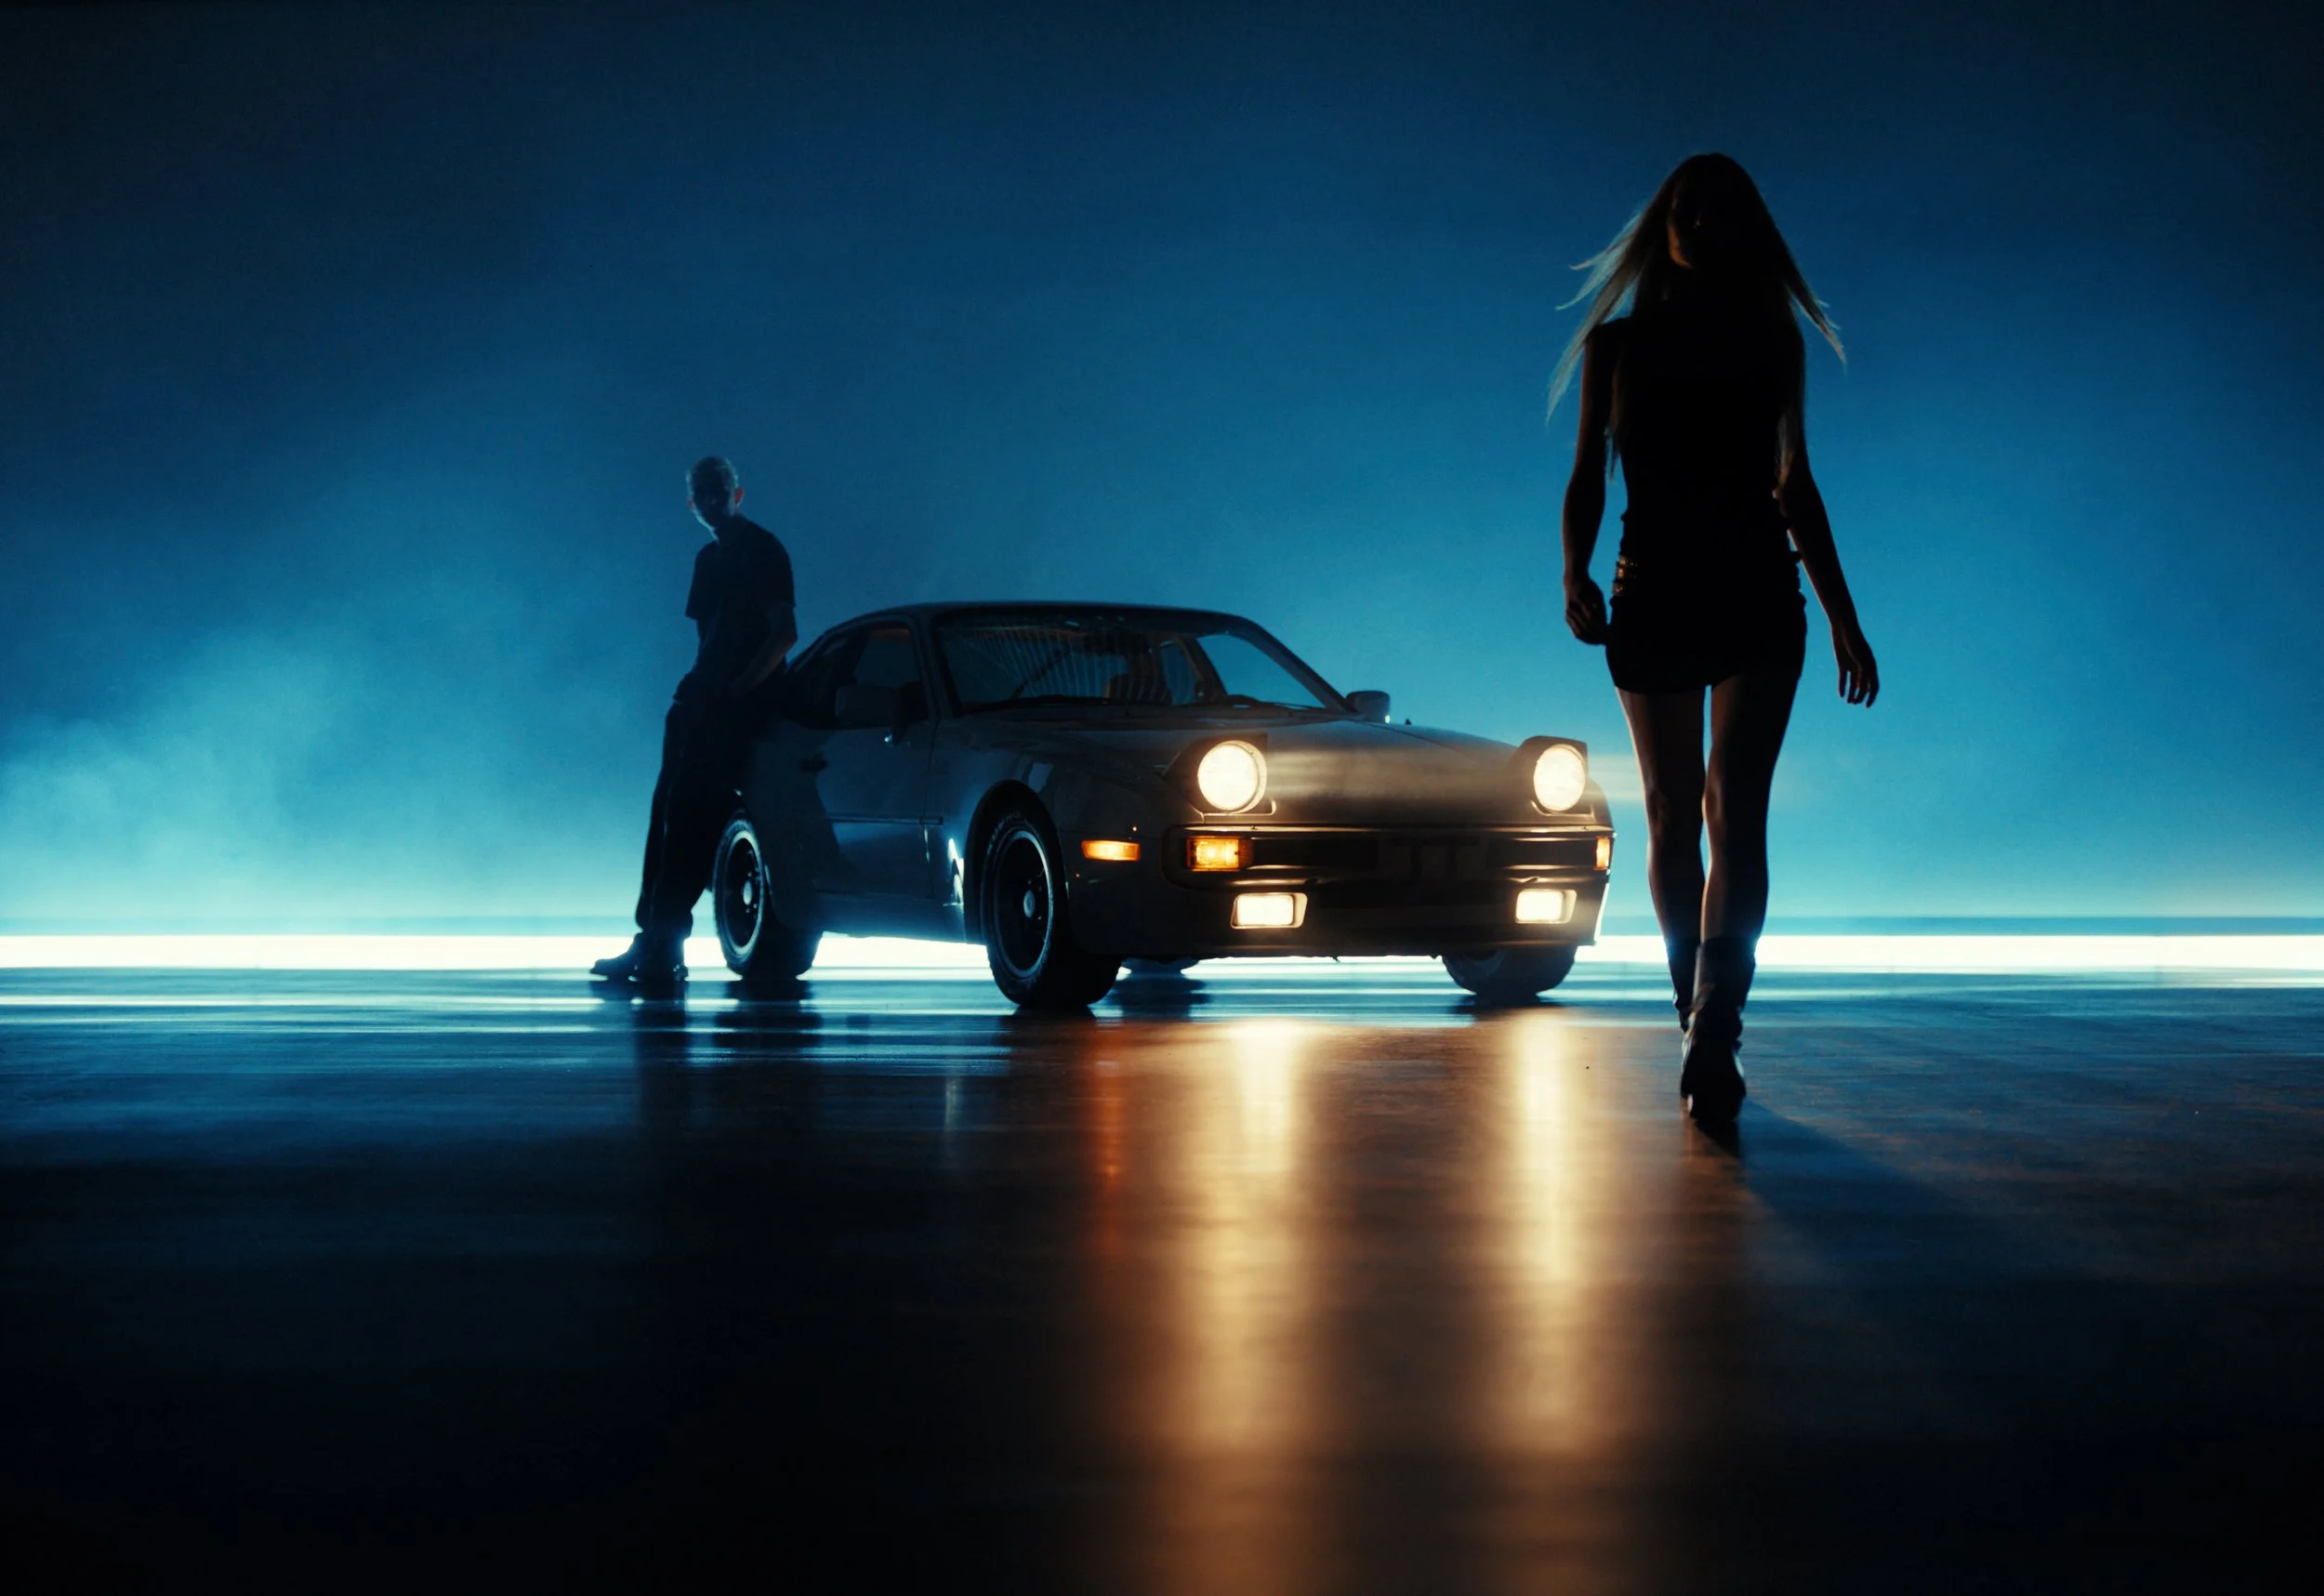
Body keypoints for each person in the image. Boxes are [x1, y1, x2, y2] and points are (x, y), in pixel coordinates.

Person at [1552, 153, 1878, 1124]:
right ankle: (1691, 1006)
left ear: (1740, 225)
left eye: (1714, 207)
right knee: (1668, 807)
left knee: (1734, 803)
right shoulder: (1615, 349)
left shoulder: (1772, 342)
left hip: (1753, 591)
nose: (1696, 220)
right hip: (1651, 590)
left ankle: (1716, 1026)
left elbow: (1795, 484)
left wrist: (1841, 616)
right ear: (1663, 224)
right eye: (1683, 207)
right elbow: (1585, 476)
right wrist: (1569, 571)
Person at [593, 456, 796, 990]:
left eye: (717, 491)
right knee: (668, 809)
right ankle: (656, 939)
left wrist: (737, 692)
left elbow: (783, 635)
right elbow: (711, 638)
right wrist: (704, 689)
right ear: (692, 502)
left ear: (737, 493)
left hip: (731, 705)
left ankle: (662, 944)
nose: (710, 501)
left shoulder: (763, 550)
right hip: (706, 700)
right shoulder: (709, 558)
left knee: (688, 813)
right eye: (702, 494)